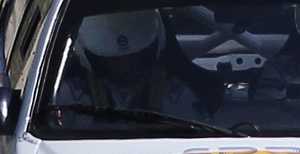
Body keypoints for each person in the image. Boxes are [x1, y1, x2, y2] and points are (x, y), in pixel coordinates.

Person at [50, 9, 206, 122]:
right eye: (115, 60)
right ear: (95, 58)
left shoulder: (176, 97)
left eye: (132, 57)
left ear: (147, 52)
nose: (125, 66)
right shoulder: (69, 98)